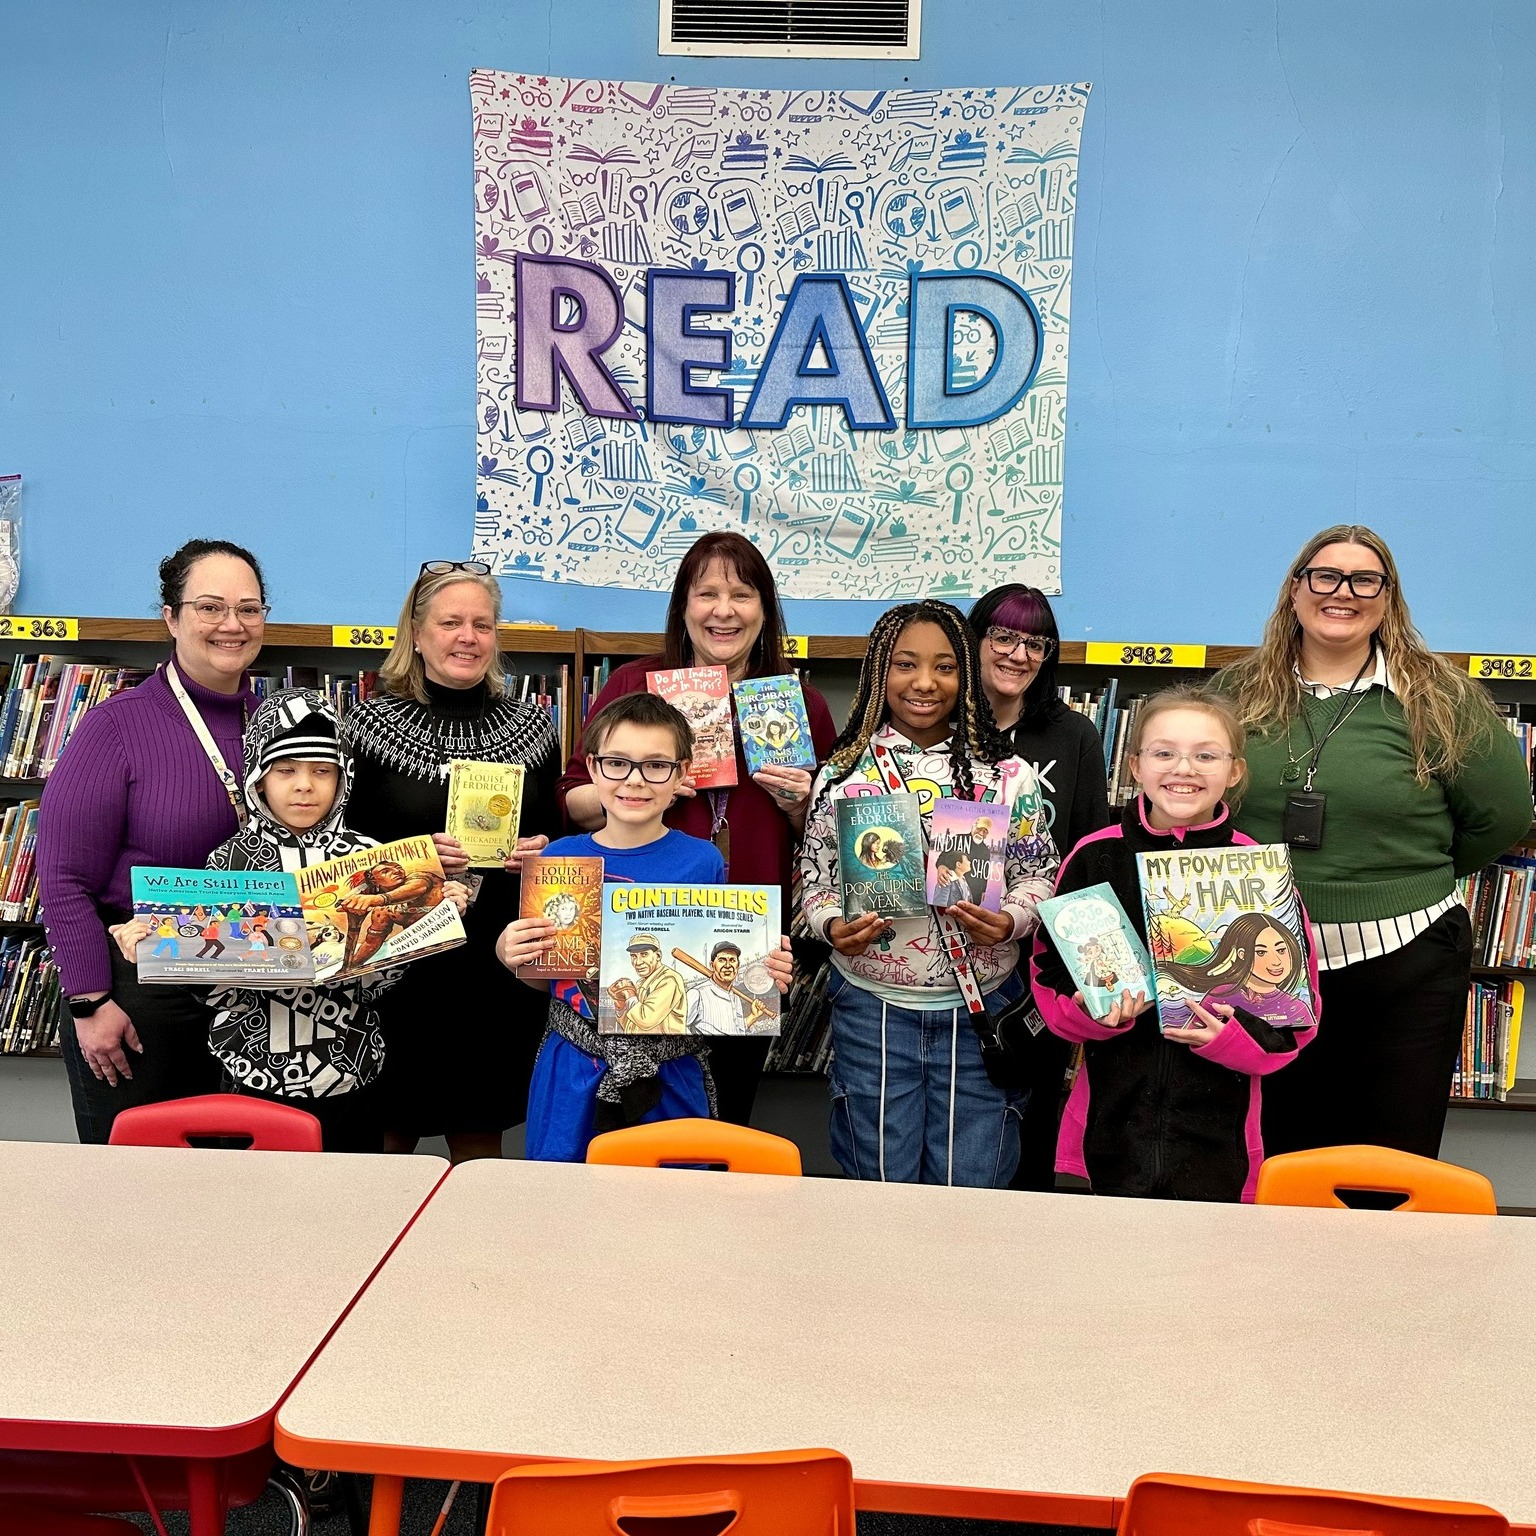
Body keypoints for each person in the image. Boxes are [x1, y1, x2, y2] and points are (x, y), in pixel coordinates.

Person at [1221, 524, 1534, 1160]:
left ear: (1388, 598)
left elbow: (1502, 818)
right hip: (1261, 964)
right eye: (1325, 576)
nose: (1344, 592)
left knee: (1390, 1157)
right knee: (1274, 1155)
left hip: (1405, 959)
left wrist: (1403, 880)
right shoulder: (1234, 694)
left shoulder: (1442, 699)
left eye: (1366, 580)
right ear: (1295, 591)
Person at [106, 689, 470, 1152]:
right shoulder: (228, 864)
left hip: (351, 1072)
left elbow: (384, 983)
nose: (304, 785)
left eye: (322, 771)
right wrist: (157, 947)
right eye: (286, 770)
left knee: (350, 1203)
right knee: (257, 1207)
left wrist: (434, 919)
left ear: (343, 779)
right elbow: (208, 987)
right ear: (258, 779)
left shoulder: (372, 859)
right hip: (249, 1073)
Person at [558, 531, 837, 1126]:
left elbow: (828, 837)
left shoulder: (797, 702)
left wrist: (797, 805)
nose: (723, 610)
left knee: (723, 1121)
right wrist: (638, 787)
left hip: (744, 944)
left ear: (766, 609)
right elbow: (572, 798)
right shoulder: (634, 685)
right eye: (706, 593)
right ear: (682, 606)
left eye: (742, 594)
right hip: (638, 938)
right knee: (622, 1117)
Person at [799, 600, 1057, 1187]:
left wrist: (1012, 919)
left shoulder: (1007, 774)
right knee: (878, 1175)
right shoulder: (844, 773)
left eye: (944, 666)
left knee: (972, 1179)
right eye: (904, 664)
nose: (924, 682)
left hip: (983, 1008)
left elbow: (1041, 873)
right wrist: (832, 925)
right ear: (877, 673)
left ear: (966, 675)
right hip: (871, 1009)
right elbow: (813, 880)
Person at [1031, 687, 1319, 1203]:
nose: (1183, 768)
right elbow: (1049, 973)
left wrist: (1228, 1039)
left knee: (1207, 1275)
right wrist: (1091, 1013)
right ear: (1136, 764)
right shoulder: (1095, 856)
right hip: (1111, 1127)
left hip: (1221, 1140)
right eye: (1164, 752)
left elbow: (1297, 1017)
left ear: (1234, 771)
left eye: (1206, 755)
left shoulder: (1259, 870)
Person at [38, 539, 269, 1143]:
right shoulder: (117, 726)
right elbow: (64, 879)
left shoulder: (282, 723)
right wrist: (90, 1002)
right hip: (141, 999)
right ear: (170, 617)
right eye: (210, 607)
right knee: (138, 1199)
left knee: (248, 1201)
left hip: (258, 990)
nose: (232, 625)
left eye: (249, 608)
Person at [496, 693, 792, 1161]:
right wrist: (511, 953)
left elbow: (716, 983)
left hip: (671, 1066)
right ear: (592, 769)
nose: (635, 780)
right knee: (561, 1197)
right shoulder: (556, 860)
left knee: (672, 1205)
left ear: (681, 774)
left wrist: (762, 971)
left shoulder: (702, 861)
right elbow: (542, 978)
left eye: (656, 766)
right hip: (574, 1063)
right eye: (618, 763)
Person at [343, 561, 559, 1162]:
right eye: (451, 623)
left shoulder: (535, 724)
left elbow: (559, 836)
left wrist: (542, 854)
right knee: (387, 1136)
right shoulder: (360, 724)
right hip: (397, 959)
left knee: (479, 1133)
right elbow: (334, 846)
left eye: (483, 624)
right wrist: (411, 857)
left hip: (493, 960)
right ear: (415, 632)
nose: (468, 637)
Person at [968, 583, 1112, 1191]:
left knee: (1032, 1118)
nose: (1018, 654)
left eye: (1036, 643)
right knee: (971, 1120)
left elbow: (1090, 850)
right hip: (958, 955)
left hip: (1043, 961)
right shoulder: (942, 726)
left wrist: (1090, 969)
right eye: (1003, 636)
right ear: (973, 641)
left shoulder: (1071, 734)